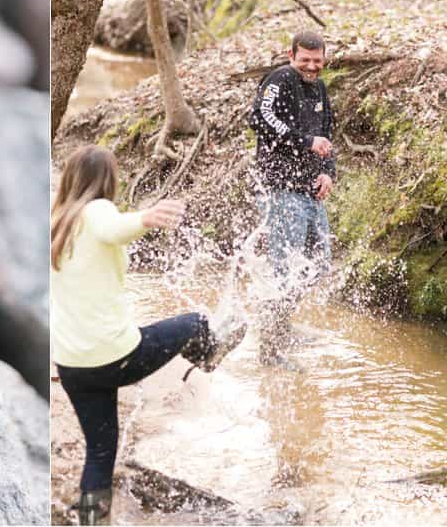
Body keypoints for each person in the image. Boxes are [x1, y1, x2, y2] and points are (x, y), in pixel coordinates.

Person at [51, 144, 245, 525]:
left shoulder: (57, 221)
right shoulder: (96, 211)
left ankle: (90, 518)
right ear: (106, 180)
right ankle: (210, 355)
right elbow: (113, 226)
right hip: (113, 355)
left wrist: (140, 221)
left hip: (73, 364)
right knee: (193, 323)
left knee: (101, 450)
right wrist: (147, 218)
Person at [249, 30, 335, 368]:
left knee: (318, 263)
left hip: (311, 190)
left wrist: (329, 172)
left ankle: (281, 327)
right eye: (305, 59)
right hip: (281, 189)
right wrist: (304, 142)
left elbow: (326, 133)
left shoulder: (320, 88)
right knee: (283, 270)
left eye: (317, 60)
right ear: (291, 55)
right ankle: (269, 352)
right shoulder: (280, 79)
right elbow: (259, 118)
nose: (311, 66)